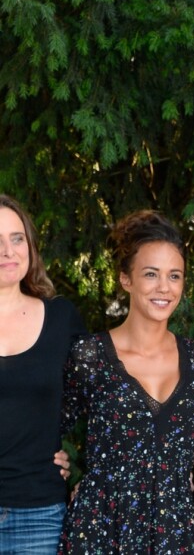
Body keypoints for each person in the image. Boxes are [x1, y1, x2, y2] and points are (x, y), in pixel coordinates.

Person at [58, 210, 194, 554]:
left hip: (173, 528)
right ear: (126, 279)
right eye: (150, 274)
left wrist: (176, 466)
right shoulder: (90, 355)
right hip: (100, 528)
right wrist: (60, 469)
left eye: (175, 276)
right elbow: (50, 425)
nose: (164, 288)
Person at [0, 194, 85, 554]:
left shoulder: (61, 320)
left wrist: (84, 466)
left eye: (17, 238)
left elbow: (100, 403)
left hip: (38, 514)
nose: (8, 251)